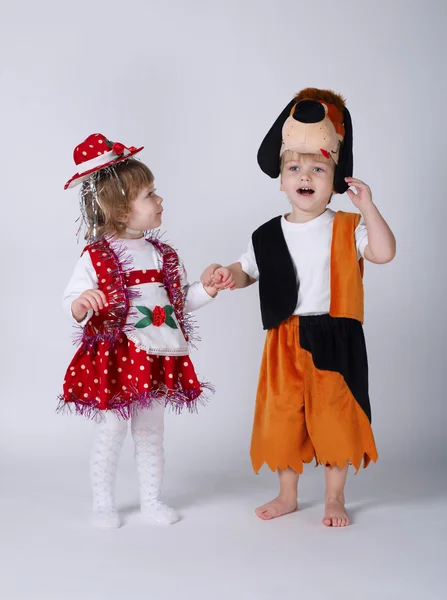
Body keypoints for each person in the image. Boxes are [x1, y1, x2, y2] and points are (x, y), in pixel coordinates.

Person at [201, 89, 396, 527]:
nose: (304, 175)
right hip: (283, 338)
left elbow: (383, 253)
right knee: (283, 418)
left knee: (335, 420)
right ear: (281, 178)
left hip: (334, 336)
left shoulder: (347, 227)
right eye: (294, 167)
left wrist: (368, 206)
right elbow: (247, 270)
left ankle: (334, 497)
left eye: (317, 167)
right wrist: (225, 273)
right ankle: (287, 494)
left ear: (335, 179)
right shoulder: (268, 234)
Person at [59, 133, 216, 528]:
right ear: (121, 209)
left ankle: (151, 500)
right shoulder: (97, 255)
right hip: (117, 357)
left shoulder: (164, 255)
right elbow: (71, 299)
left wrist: (208, 289)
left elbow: (178, 305)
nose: (160, 201)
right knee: (111, 430)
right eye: (150, 194)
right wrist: (82, 304)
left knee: (150, 431)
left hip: (157, 355)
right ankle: (103, 503)